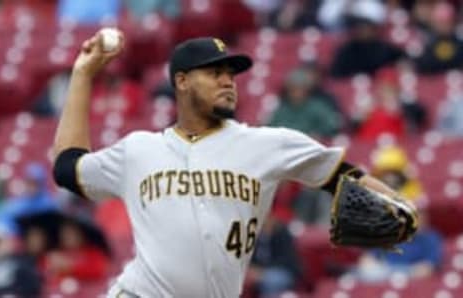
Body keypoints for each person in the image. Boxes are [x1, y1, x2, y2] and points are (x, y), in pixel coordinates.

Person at [52, 32, 413, 297]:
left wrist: (401, 205)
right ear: (181, 81)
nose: (227, 81)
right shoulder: (138, 151)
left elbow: (345, 177)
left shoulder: (267, 143)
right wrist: (83, 75)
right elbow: (67, 166)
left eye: (231, 73)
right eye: (214, 72)